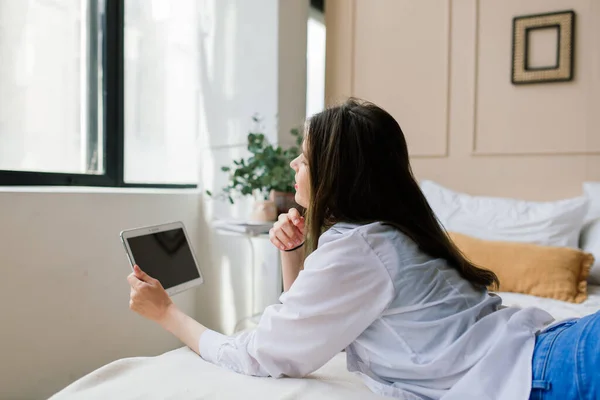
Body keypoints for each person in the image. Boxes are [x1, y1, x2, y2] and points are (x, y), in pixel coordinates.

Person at [127, 98, 599, 400]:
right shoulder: (393, 232)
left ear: (338, 174)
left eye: (305, 157)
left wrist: (167, 312)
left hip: (553, 371)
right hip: (560, 352)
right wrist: (294, 253)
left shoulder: (358, 248)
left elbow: (264, 355)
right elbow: (305, 328)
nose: (294, 164)